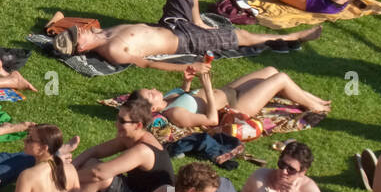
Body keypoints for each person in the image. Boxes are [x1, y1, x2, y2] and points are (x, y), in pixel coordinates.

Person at [56, 0, 322, 68]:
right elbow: (147, 64)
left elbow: (61, 20)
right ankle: (292, 37)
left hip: (172, 23)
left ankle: (198, 19)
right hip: (184, 39)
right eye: (79, 33)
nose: (82, 29)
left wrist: (58, 25)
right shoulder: (112, 49)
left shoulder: (99, 34)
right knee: (241, 37)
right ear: (81, 47)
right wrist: (185, 68)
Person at [135, 62, 330, 131]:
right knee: (280, 78)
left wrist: (186, 82)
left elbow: (185, 95)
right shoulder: (174, 113)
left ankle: (314, 99)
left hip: (228, 91)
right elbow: (211, 120)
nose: (153, 89)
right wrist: (207, 87)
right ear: (153, 109)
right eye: (150, 94)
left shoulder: (168, 97)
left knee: (271, 70)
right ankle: (316, 107)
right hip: (236, 106)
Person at [73, 97, 175, 192]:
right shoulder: (132, 137)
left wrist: (65, 177)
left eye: (122, 121)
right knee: (91, 162)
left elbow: (99, 173)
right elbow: (95, 151)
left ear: (138, 125)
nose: (116, 123)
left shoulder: (143, 151)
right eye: (117, 117)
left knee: (103, 177)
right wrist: (72, 166)